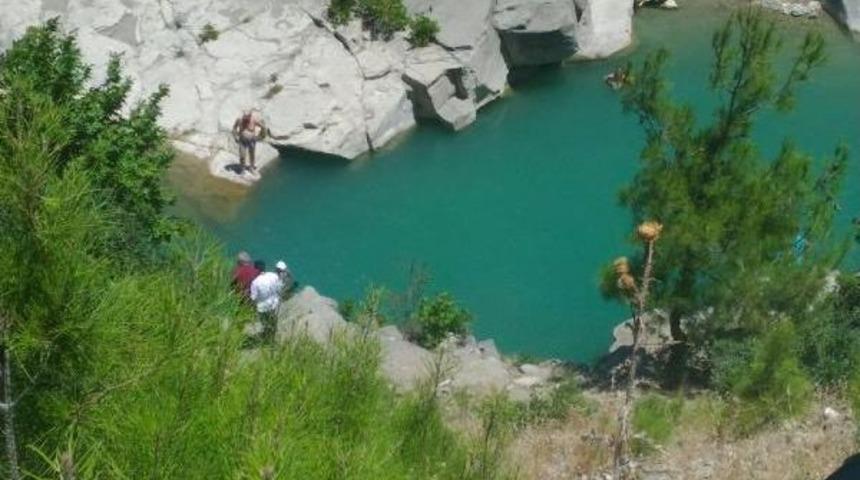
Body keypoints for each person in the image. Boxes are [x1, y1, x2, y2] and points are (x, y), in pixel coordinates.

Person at [250, 261, 284, 341]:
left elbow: (253, 298)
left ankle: (268, 337)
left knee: (265, 323)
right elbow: (279, 287)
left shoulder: (255, 282)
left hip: (262, 307)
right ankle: (273, 335)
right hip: (274, 303)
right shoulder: (273, 275)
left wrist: (252, 306)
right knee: (273, 320)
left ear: (256, 269)